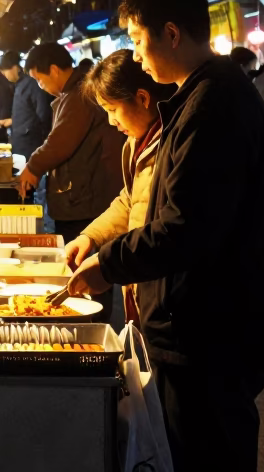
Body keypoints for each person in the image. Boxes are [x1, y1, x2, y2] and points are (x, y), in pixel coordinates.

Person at [68, 0, 264, 472]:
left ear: (171, 34)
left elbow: (186, 225)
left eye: (138, 40)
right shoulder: (200, 97)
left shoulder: (215, 104)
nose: (137, 56)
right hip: (203, 322)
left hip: (215, 328)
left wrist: (108, 264)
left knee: (208, 452)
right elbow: (151, 204)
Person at [63, 50, 176, 326]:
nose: (112, 122)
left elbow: (172, 228)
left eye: (113, 110)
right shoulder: (138, 141)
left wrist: (108, 264)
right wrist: (90, 236)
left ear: (142, 98)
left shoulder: (174, 143)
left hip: (168, 295)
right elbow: (131, 199)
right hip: (142, 283)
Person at [18, 42, 124, 321]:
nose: (41, 86)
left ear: (54, 70)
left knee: (89, 270)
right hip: (83, 196)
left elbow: (60, 142)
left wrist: (33, 166)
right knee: (87, 266)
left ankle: (91, 325)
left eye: (40, 80)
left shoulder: (79, 93)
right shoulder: (74, 91)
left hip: (86, 199)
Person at [0, 49, 55, 230]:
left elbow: (42, 114)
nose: (5, 76)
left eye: (5, 71)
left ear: (15, 68)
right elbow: (28, 113)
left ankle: (39, 227)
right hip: (21, 145)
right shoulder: (20, 85)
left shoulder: (31, 84)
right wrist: (14, 122)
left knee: (35, 190)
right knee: (26, 188)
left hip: (31, 146)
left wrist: (43, 141)